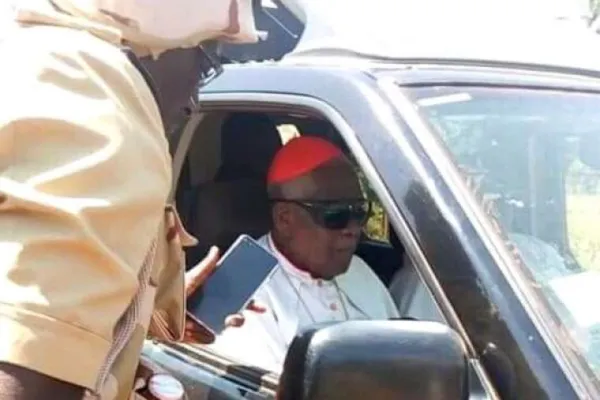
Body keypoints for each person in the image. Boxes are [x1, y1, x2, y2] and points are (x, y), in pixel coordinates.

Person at [0, 1, 259, 399]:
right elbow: (22, 368)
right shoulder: (98, 100)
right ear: (160, 31)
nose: (193, 102)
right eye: (205, 64)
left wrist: (133, 320)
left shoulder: (35, 62)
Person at [211, 136, 399, 372]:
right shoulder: (237, 285)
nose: (353, 229)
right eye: (335, 215)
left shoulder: (359, 270)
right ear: (284, 219)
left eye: (359, 212)